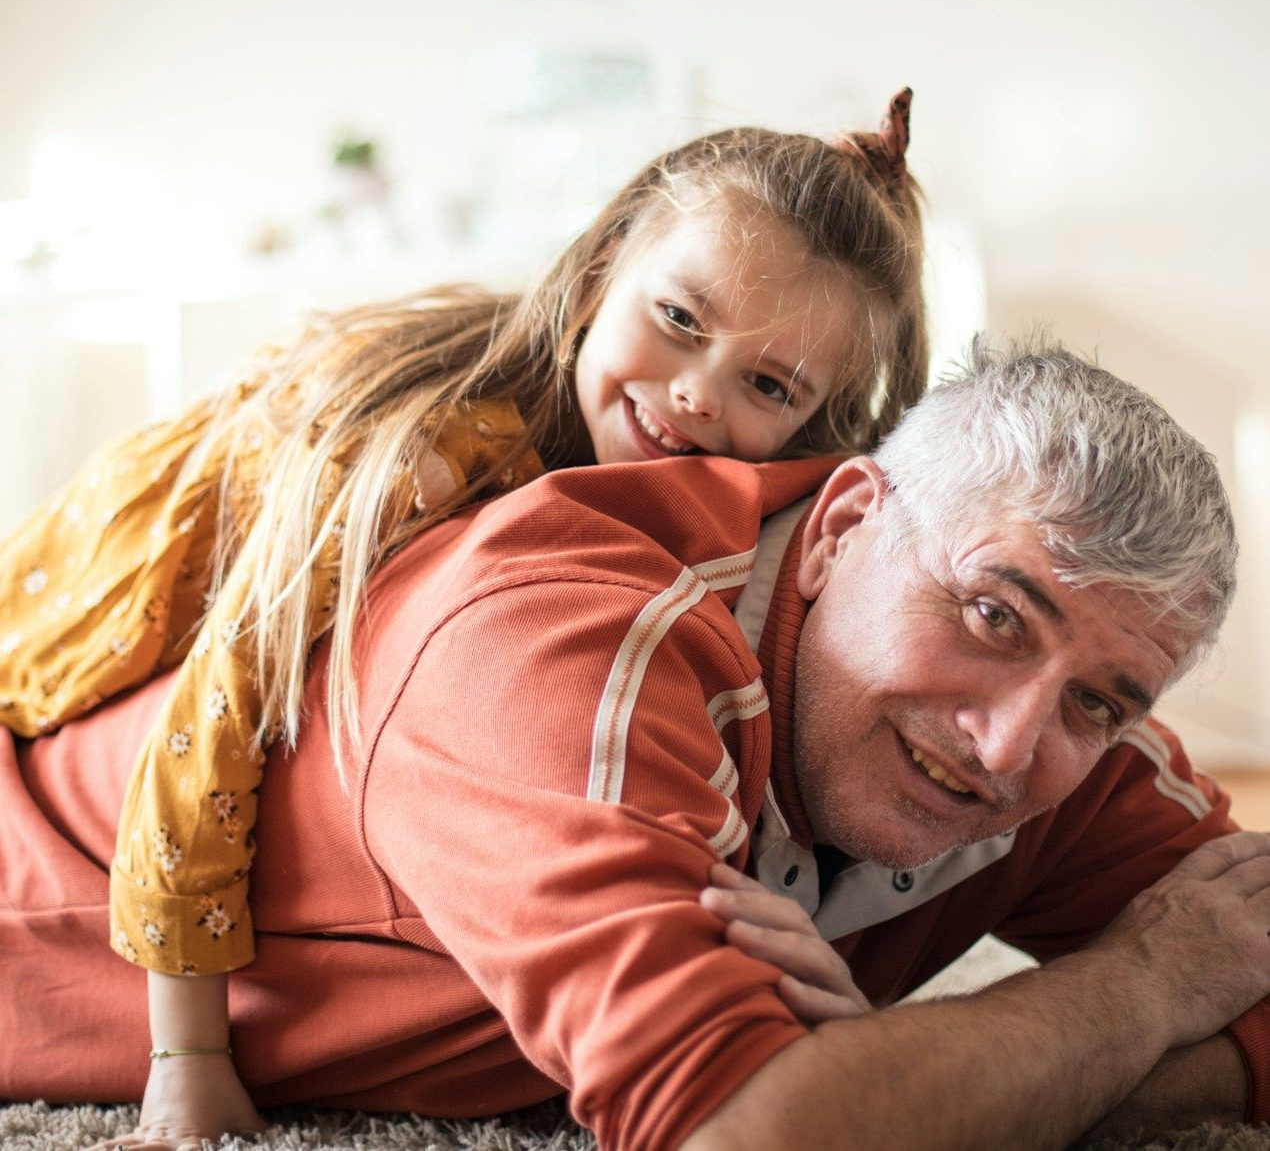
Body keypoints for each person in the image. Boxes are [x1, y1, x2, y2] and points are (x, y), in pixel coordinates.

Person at [3, 338, 1266, 1151]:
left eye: (1103, 700)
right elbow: (738, 1132)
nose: (1006, 743)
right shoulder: (552, 638)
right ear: (840, 529)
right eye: (989, 615)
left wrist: (912, 1077)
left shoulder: (1052, 726)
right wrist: (1137, 992)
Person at [0, 93, 928, 1146]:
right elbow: (210, 718)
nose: (696, 396)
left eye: (765, 382)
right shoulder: (437, 458)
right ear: (598, 272)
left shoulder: (743, 502)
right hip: (67, 639)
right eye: (677, 320)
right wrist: (189, 1057)